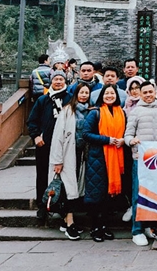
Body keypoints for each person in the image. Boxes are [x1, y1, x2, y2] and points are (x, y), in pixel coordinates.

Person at [124, 81, 157, 246]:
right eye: (145, 92)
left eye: (151, 92)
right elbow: (128, 134)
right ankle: (136, 230)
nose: (148, 95)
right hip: (140, 160)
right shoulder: (136, 112)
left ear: (155, 92)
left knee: (156, 195)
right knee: (138, 195)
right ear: (140, 94)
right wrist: (131, 141)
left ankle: (150, 226)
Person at [26, 70, 71, 224]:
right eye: (55, 79)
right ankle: (42, 204)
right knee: (42, 174)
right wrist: (36, 135)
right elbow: (32, 120)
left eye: (61, 79)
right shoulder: (43, 100)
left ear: (65, 81)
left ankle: (62, 205)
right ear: (51, 81)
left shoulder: (70, 98)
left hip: (65, 144)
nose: (58, 82)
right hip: (45, 143)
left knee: (65, 175)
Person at [83, 84, 126, 242]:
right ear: (102, 95)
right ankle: (95, 227)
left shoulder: (121, 112)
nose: (109, 96)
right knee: (97, 194)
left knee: (109, 196)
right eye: (106, 93)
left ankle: (104, 226)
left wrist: (123, 140)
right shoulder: (95, 113)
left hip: (117, 156)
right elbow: (86, 134)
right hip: (98, 158)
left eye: (112, 93)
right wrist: (107, 140)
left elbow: (126, 132)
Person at [50, 83, 90, 240]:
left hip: (82, 154)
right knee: (68, 189)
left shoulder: (90, 111)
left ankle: (66, 221)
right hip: (67, 154)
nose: (84, 95)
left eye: (86, 92)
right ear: (76, 94)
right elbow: (58, 136)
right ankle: (70, 223)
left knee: (75, 188)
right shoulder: (67, 110)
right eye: (81, 92)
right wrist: (57, 160)